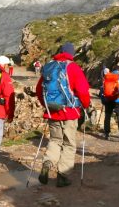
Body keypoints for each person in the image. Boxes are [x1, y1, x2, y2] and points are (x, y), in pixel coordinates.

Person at [36, 42, 90, 187]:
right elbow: (83, 91)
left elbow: (39, 90)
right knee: (69, 144)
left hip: (52, 112)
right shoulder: (72, 67)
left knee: (55, 140)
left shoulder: (49, 67)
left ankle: (47, 163)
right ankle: (62, 176)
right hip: (70, 113)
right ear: (71, 54)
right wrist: (84, 106)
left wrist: (47, 106)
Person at [102, 65, 119, 140]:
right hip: (118, 100)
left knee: (107, 116)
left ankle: (106, 133)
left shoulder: (107, 77)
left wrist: (103, 99)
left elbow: (103, 89)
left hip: (108, 99)